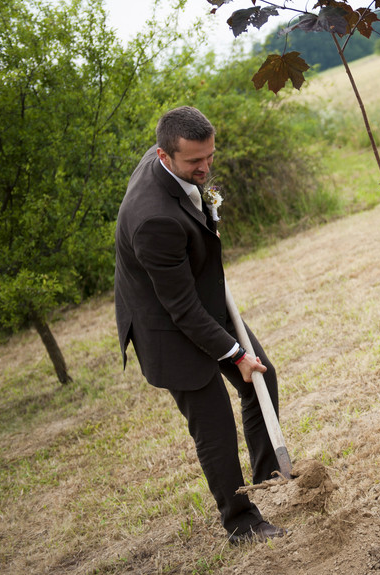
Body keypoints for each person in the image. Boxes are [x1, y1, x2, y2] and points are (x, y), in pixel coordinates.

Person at [114, 106, 287, 543]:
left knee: (262, 378)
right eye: (195, 162)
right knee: (214, 428)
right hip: (166, 325)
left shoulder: (176, 162)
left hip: (197, 299)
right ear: (164, 155)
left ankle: (270, 473)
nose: (205, 168)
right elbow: (181, 309)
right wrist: (234, 354)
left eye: (209, 156)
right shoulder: (154, 219)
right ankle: (240, 521)